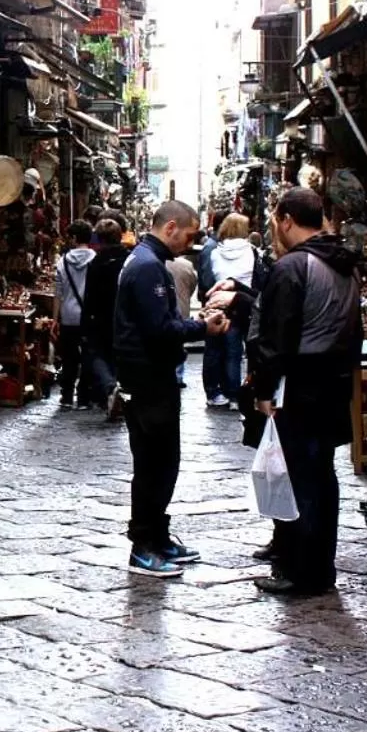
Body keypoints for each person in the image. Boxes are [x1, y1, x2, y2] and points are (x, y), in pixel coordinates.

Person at [248, 188, 362, 596]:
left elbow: (276, 337)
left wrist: (264, 388)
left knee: (300, 477)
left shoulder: (294, 267)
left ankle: (302, 571)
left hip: (299, 385)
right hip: (332, 383)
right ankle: (316, 565)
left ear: (286, 219)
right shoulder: (344, 263)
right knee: (321, 476)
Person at [113, 200, 229, 577]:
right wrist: (203, 328)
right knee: (154, 464)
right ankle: (143, 547)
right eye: (190, 234)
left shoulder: (148, 262)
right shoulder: (147, 267)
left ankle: (157, 536)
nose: (190, 243)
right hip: (147, 379)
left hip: (149, 376)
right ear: (170, 227)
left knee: (163, 461)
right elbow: (159, 329)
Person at [203, 213, 257, 406]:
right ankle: (234, 394)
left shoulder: (215, 252)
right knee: (235, 352)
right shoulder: (251, 252)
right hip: (243, 303)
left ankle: (214, 392)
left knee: (216, 350)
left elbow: (207, 278)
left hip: (218, 302)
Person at [80, 217, 129, 419]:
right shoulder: (129, 259)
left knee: (97, 354)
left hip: (100, 317)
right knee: (119, 355)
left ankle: (110, 388)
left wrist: (85, 323)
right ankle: (119, 391)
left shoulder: (95, 263)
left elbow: (89, 295)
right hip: (124, 316)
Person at [54, 220, 96, 409]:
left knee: (69, 358)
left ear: (73, 238)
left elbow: (58, 293)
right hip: (89, 316)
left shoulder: (62, 262)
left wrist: (55, 319)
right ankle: (84, 397)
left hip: (69, 315)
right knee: (88, 356)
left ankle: (67, 396)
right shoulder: (96, 259)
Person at [167, 239, 199, 388]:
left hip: (167, 307)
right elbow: (193, 283)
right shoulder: (187, 266)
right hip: (182, 306)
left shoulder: (159, 263)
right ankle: (178, 375)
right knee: (179, 341)